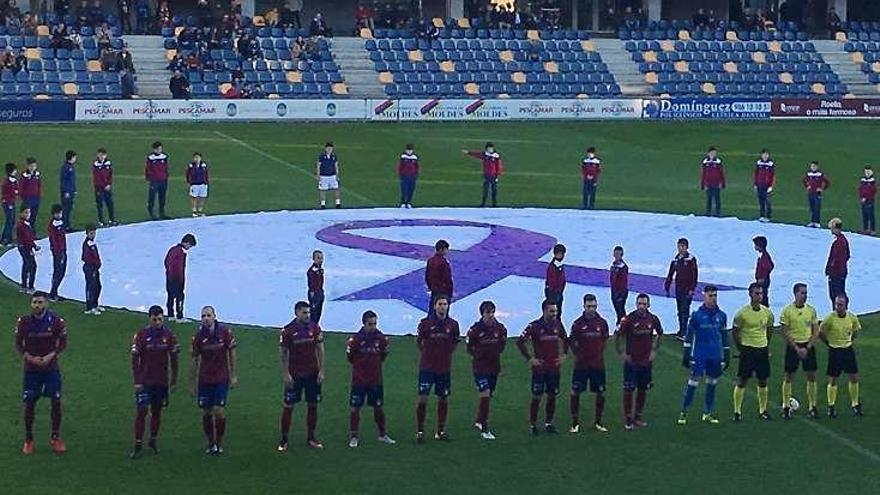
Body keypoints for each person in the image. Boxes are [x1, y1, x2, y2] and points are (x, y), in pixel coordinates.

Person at [15, 291, 68, 455]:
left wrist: (51, 356)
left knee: (56, 401)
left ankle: (55, 437)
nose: (37, 305)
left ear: (46, 304)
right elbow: (18, 344)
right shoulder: (24, 322)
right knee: (30, 403)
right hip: (32, 370)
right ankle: (29, 439)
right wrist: (29, 357)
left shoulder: (56, 321)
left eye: (40, 302)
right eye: (35, 302)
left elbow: (63, 343)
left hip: (50, 368)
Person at [129, 305, 180, 459]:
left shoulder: (169, 335)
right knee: (142, 410)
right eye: (154, 319)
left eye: (159, 319)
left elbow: (174, 358)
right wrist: (137, 381)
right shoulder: (141, 335)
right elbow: (134, 358)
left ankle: (153, 440)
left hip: (161, 382)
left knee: (157, 411)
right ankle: (138, 444)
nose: (157, 322)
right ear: (149, 318)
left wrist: (174, 380)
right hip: (145, 381)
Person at [677, 285, 729, 425]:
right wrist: (687, 354)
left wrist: (727, 354)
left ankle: (707, 413)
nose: (713, 298)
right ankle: (684, 411)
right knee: (693, 383)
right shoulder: (696, 315)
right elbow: (689, 336)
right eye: (710, 295)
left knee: (712, 383)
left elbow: (724, 336)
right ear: (704, 296)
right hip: (700, 354)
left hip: (715, 355)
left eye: (715, 295)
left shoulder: (722, 315)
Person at [278, 301, 325, 451]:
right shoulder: (288, 330)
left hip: (312, 373)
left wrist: (321, 370)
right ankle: (284, 439)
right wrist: (285, 373)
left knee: (313, 405)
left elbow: (320, 349)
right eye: (304, 312)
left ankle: (311, 437)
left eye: (309, 312)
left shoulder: (314, 328)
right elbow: (283, 353)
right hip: (295, 374)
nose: (307, 315)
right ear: (296, 313)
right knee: (289, 406)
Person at [190, 306, 237, 455]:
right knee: (206, 412)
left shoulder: (224, 332)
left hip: (221, 378)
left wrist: (233, 374)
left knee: (219, 410)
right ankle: (211, 443)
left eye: (208, 315)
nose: (206, 318)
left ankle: (219, 442)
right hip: (205, 379)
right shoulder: (198, 336)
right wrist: (192, 382)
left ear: (214, 316)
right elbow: (194, 360)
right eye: (203, 316)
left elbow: (232, 353)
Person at [517, 299, 568, 435]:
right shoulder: (534, 326)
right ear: (544, 310)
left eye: (556, 311)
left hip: (554, 368)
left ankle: (549, 423)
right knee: (537, 396)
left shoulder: (558, 324)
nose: (554, 313)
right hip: (540, 368)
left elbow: (565, 338)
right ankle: (533, 425)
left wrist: (564, 354)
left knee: (552, 395)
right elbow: (520, 341)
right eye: (552, 311)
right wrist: (530, 358)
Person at [346, 310, 395, 447]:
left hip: (375, 380)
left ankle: (382, 434)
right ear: (364, 324)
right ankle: (354, 436)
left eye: (375, 323)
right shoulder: (356, 339)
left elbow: (383, 355)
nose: (373, 327)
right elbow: (350, 357)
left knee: (378, 408)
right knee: (355, 408)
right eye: (370, 324)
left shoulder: (381, 339)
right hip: (359, 380)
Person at [415, 296, 460, 443]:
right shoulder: (425, 324)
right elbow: (419, 341)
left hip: (444, 368)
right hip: (427, 367)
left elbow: (455, 342)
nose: (442, 307)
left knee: (443, 398)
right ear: (434, 306)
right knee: (423, 398)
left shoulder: (453, 325)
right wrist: (428, 354)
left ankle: (440, 431)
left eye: (445, 304)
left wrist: (445, 354)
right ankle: (420, 431)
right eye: (440, 304)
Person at [615, 293, 662, 430]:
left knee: (643, 389)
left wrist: (654, 350)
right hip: (632, 361)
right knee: (629, 390)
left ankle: (638, 416)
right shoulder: (629, 319)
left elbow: (660, 333)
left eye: (644, 304)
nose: (642, 306)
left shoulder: (653, 319)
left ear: (648, 305)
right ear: (636, 304)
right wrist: (621, 352)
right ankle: (628, 419)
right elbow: (617, 335)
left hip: (646, 362)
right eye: (640, 304)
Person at [732, 282, 775, 421]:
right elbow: (735, 332)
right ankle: (737, 412)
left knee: (763, 380)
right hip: (748, 350)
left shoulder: (767, 312)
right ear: (750, 294)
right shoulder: (742, 313)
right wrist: (741, 348)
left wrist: (766, 344)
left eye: (761, 293)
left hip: (761, 350)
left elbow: (769, 330)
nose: (759, 296)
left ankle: (763, 410)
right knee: (742, 380)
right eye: (757, 293)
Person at [568, 294, 610, 433]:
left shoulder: (602, 323)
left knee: (600, 392)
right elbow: (572, 341)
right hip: (581, 365)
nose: (591, 309)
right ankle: (575, 423)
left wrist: (597, 353)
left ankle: (598, 421)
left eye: (593, 306)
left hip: (597, 365)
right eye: (588, 306)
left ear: (596, 306)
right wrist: (578, 354)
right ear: (584, 306)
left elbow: (604, 340)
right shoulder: (578, 323)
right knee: (575, 392)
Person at [466, 301, 507, 440]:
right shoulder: (475, 330)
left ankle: (479, 419)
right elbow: (470, 348)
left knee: (489, 395)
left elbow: (502, 345)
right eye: (488, 313)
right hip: (480, 367)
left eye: (492, 312)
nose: (491, 315)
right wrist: (479, 357)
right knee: (485, 393)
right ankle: (485, 428)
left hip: (494, 366)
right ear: (482, 314)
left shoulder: (500, 328)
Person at [779, 283, 820, 420]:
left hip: (808, 346)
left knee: (812, 376)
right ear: (795, 294)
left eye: (806, 293)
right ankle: (786, 407)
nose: (805, 295)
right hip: (793, 347)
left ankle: (812, 407)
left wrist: (807, 347)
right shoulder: (787, 311)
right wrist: (797, 348)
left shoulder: (811, 310)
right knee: (788, 376)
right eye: (802, 293)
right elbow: (784, 331)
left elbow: (816, 331)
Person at [820, 295, 862, 418]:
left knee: (854, 377)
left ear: (846, 306)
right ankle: (831, 405)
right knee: (833, 379)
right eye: (836, 304)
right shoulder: (829, 319)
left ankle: (855, 404)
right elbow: (821, 332)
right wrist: (829, 343)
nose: (837, 307)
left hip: (848, 350)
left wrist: (849, 341)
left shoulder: (852, 318)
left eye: (840, 305)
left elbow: (856, 330)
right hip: (835, 351)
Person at [664, 237, 698, 340]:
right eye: (679, 246)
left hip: (687, 288)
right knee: (680, 310)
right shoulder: (676, 259)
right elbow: (671, 273)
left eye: (683, 246)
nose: (681, 248)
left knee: (685, 310)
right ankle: (681, 330)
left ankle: (685, 331)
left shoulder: (691, 259)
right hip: (678, 288)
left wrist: (692, 288)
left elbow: (694, 275)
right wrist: (667, 286)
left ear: (687, 247)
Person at [164, 233, 196, 322]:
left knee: (170, 297)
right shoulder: (181, 252)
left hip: (169, 277)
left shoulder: (172, 249)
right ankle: (180, 316)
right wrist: (181, 279)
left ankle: (170, 315)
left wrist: (168, 273)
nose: (189, 248)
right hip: (177, 279)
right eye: (190, 245)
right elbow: (179, 268)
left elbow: (166, 262)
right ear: (187, 243)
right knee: (180, 297)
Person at [463, 142, 504, 208]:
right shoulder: (485, 155)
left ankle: (494, 204)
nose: (489, 150)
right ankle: (483, 204)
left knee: (494, 191)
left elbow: (499, 166)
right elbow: (477, 155)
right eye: (488, 148)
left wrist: (497, 175)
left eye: (490, 148)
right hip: (487, 175)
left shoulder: (496, 156)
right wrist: (468, 152)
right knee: (486, 190)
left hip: (493, 175)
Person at [825, 218, 849, 307]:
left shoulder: (839, 242)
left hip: (836, 273)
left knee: (835, 294)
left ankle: (838, 311)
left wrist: (831, 268)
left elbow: (836, 258)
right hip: (841, 272)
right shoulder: (843, 240)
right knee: (839, 293)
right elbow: (847, 255)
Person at [425, 239, 453, 316]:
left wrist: (431, 287)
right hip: (443, 291)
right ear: (441, 249)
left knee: (432, 310)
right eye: (446, 250)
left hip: (434, 290)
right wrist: (450, 291)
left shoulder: (430, 261)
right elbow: (447, 278)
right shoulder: (443, 262)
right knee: (442, 312)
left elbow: (427, 276)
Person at [15, 206, 38, 293]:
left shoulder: (23, 223)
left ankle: (24, 286)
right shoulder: (22, 225)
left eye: (29, 212)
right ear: (21, 213)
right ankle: (30, 287)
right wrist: (34, 246)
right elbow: (27, 238)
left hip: (24, 247)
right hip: (26, 248)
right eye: (26, 212)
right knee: (32, 266)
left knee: (27, 265)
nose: (28, 214)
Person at [92, 148, 117, 227]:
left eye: (102, 155)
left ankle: (111, 220)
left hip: (107, 187)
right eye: (99, 155)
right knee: (100, 205)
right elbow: (96, 178)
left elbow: (110, 175)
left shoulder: (108, 163)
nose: (101, 157)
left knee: (110, 203)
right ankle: (101, 221)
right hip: (99, 188)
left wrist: (109, 184)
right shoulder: (96, 164)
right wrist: (103, 186)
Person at [145, 141, 169, 220]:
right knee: (152, 197)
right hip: (154, 181)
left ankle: (162, 213)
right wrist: (150, 178)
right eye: (158, 149)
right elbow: (148, 169)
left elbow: (166, 167)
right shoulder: (151, 158)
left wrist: (165, 177)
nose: (159, 150)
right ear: (154, 149)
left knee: (162, 197)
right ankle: (151, 212)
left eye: (160, 149)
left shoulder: (164, 157)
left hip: (163, 180)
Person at [47, 205, 67, 302]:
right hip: (58, 252)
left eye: (60, 213)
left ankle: (55, 292)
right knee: (58, 272)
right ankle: (52, 293)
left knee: (62, 272)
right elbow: (54, 240)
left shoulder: (61, 222)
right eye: (57, 213)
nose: (59, 215)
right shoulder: (53, 225)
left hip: (63, 250)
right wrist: (59, 252)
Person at [81, 225, 102, 315]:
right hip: (90, 267)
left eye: (94, 233)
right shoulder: (87, 244)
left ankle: (95, 304)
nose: (93, 235)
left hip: (94, 267)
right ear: (87, 233)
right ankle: (90, 307)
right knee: (91, 287)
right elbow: (86, 257)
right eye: (91, 233)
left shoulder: (92, 243)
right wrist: (95, 264)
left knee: (98, 286)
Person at [803, 161, 830, 228]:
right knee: (812, 207)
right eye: (812, 166)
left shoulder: (820, 174)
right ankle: (812, 221)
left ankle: (817, 222)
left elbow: (827, 182)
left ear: (817, 167)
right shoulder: (809, 173)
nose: (813, 167)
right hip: (810, 192)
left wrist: (821, 189)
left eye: (814, 166)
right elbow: (804, 180)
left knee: (817, 207)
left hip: (817, 193)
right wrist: (807, 186)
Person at [700, 146, 725, 217]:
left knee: (717, 198)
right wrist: (703, 184)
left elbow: (721, 173)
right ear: (708, 153)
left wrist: (722, 183)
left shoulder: (718, 161)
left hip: (716, 183)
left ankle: (718, 212)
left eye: (714, 153)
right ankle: (708, 212)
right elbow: (703, 173)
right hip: (708, 183)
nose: (713, 154)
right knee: (709, 198)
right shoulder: (705, 162)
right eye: (712, 153)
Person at [316, 142, 342, 209]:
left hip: (332, 175)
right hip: (324, 176)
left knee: (336, 189)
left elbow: (336, 166)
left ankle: (338, 203)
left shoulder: (334, 156)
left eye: (330, 148)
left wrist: (337, 175)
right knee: (323, 190)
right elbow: (318, 166)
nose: (329, 150)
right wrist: (318, 175)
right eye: (328, 148)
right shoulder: (322, 156)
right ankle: (323, 204)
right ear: (325, 149)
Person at [544, 243, 566, 319]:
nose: (561, 256)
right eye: (559, 254)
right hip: (553, 293)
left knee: (558, 313)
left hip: (558, 292)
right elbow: (551, 281)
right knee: (553, 313)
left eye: (562, 254)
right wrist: (553, 294)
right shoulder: (552, 267)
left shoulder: (559, 265)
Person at [754, 149, 775, 222]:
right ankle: (762, 215)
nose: (765, 156)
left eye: (766, 155)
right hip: (760, 184)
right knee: (761, 201)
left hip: (767, 185)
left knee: (767, 201)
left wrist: (771, 186)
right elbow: (756, 173)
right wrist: (755, 183)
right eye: (764, 155)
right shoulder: (759, 163)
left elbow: (773, 175)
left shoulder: (770, 164)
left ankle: (768, 216)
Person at [186, 152, 209, 217]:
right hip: (194, 184)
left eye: (198, 158)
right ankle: (194, 211)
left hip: (202, 184)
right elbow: (187, 175)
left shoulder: (203, 165)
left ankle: (200, 210)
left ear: (200, 158)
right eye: (195, 158)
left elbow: (206, 174)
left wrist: (206, 182)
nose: (196, 159)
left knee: (202, 197)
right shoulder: (191, 166)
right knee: (194, 197)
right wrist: (189, 182)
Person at [753, 236, 774, 307]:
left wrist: (763, 277)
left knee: (763, 296)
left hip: (763, 280)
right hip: (762, 279)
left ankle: (765, 308)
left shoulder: (764, 256)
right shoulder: (762, 255)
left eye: (756, 245)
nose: (755, 246)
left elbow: (769, 267)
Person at [19, 157, 41, 224]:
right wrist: (24, 197)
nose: (33, 167)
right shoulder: (24, 175)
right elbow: (21, 187)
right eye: (31, 166)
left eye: (34, 166)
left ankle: (32, 231)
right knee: (27, 216)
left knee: (34, 216)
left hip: (36, 198)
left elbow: (39, 184)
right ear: (28, 166)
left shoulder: (37, 174)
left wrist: (39, 195)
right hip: (28, 199)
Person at [610, 245, 629, 323]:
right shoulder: (613, 265)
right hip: (614, 291)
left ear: (622, 255)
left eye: (618, 254)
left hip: (621, 292)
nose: (617, 255)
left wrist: (621, 294)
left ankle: (623, 325)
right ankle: (621, 325)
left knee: (620, 311)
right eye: (616, 253)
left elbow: (624, 282)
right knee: (618, 311)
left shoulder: (623, 267)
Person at [60, 150, 77, 231]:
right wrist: (66, 192)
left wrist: (74, 190)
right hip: (67, 193)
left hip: (71, 192)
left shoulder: (70, 166)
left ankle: (67, 225)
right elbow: (63, 180)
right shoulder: (66, 167)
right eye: (75, 157)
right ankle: (64, 226)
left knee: (69, 209)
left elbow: (72, 180)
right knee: (65, 209)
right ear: (72, 157)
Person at [397, 144, 419, 208]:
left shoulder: (414, 157)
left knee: (411, 189)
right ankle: (403, 202)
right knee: (404, 189)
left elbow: (416, 167)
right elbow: (400, 166)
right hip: (405, 175)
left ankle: (409, 202)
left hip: (412, 176)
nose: (409, 152)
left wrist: (415, 174)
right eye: (408, 150)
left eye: (410, 150)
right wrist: (401, 174)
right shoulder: (403, 157)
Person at [1, 162, 17, 246]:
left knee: (12, 220)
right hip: (8, 203)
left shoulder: (13, 180)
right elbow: (7, 194)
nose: (16, 172)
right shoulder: (7, 182)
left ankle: (7, 238)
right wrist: (14, 192)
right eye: (15, 170)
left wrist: (15, 192)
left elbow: (16, 190)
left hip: (11, 202)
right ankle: (5, 239)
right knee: (9, 221)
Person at [307, 250, 324, 324]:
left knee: (318, 313)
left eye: (321, 258)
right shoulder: (312, 271)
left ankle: (315, 329)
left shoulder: (320, 269)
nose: (320, 260)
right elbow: (311, 284)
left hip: (320, 292)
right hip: (314, 293)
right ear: (313, 259)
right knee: (314, 313)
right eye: (318, 258)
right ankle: (310, 330)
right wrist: (313, 295)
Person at [858, 166, 875, 235]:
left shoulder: (872, 181)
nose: (867, 173)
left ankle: (872, 230)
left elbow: (872, 191)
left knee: (870, 215)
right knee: (864, 215)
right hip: (863, 200)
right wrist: (861, 197)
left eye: (868, 172)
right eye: (865, 172)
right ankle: (865, 229)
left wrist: (866, 198)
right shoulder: (863, 180)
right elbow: (860, 189)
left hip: (869, 200)